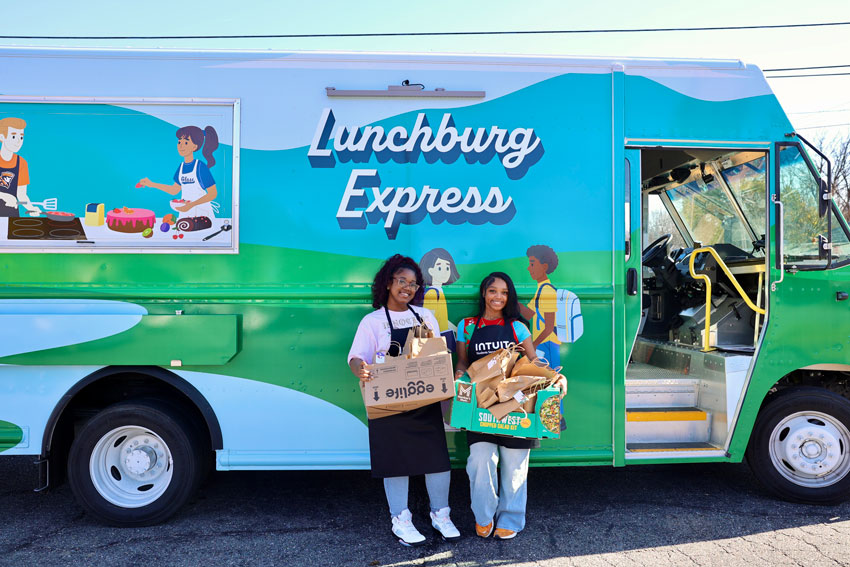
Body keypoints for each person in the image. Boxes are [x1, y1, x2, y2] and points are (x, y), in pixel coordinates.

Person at [348, 254, 461, 546]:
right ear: (388, 283)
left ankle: (441, 514)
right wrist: (360, 368)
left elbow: (438, 354)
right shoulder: (372, 321)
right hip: (388, 400)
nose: (407, 288)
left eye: (413, 284)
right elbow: (356, 357)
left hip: (424, 398)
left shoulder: (426, 316)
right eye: (402, 281)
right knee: (394, 461)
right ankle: (400, 518)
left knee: (436, 459)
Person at [454, 271, 566, 540]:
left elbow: (534, 362)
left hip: (517, 406)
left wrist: (555, 376)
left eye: (504, 293)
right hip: (481, 408)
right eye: (493, 291)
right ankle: (483, 516)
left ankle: (511, 518)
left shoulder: (518, 327)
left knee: (515, 466)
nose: (498, 297)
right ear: (484, 292)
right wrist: (459, 375)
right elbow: (462, 362)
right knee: (480, 461)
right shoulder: (467, 326)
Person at [138, 125, 220, 218]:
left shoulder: (200, 167)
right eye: (179, 142)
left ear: (195, 147)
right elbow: (174, 190)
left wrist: (191, 205)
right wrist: (151, 184)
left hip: (202, 214)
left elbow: (213, 194)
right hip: (185, 212)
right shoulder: (181, 167)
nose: (181, 146)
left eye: (186, 142)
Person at [519, 244, 561, 368]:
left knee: (549, 380)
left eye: (532, 264)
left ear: (544, 267)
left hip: (547, 344)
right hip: (542, 344)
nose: (528, 268)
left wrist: (533, 345)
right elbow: (530, 314)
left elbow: (549, 327)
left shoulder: (547, 291)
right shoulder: (540, 288)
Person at [419, 247, 461, 351]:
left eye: (447, 268)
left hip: (441, 338)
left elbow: (441, 318)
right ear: (430, 271)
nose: (445, 272)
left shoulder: (439, 292)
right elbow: (428, 323)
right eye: (439, 268)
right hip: (437, 342)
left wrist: (457, 330)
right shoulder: (432, 294)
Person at [0, 117, 42, 218]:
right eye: (14, 137)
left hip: (11, 215)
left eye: (21, 137)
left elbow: (21, 195)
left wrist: (31, 208)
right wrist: (3, 195)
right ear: (2, 137)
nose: (18, 141)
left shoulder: (21, 163)